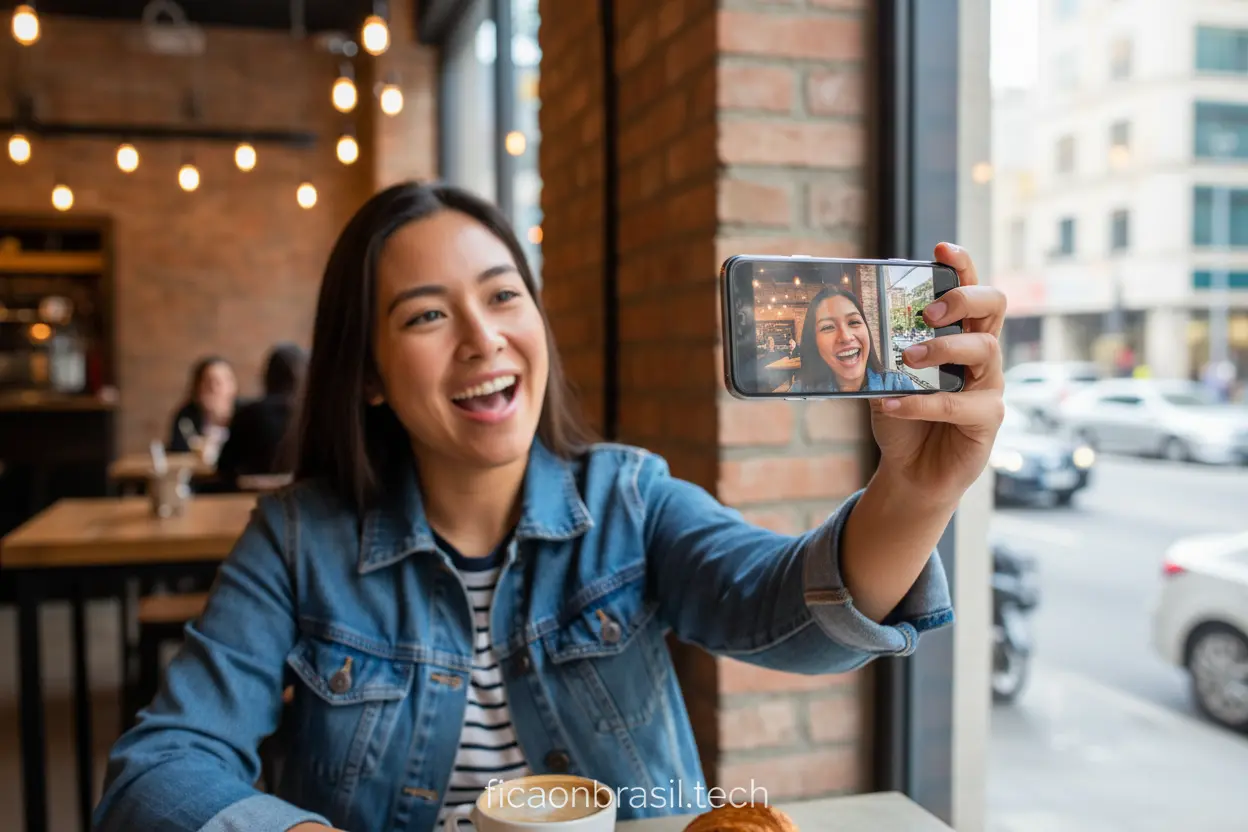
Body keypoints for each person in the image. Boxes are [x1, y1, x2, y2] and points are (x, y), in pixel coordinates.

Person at [93, 182, 1007, 832]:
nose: (484, 336)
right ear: (368, 374)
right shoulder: (296, 543)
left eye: (502, 296)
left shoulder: (628, 498)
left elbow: (789, 613)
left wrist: (919, 489)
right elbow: (158, 771)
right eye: (425, 316)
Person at [215, 343, 308, 489]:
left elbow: (224, 468)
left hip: (248, 499)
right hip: (297, 501)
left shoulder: (248, 413)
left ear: (268, 375)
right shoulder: (309, 416)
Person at [790, 287, 917, 393]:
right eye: (828, 327)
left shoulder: (898, 386)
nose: (846, 337)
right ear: (814, 342)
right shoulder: (800, 394)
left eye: (854, 322)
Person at [167, 355, 237, 457]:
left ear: (233, 386)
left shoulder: (247, 414)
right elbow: (178, 452)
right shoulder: (187, 416)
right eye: (209, 382)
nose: (215, 388)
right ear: (198, 387)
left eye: (221, 382)